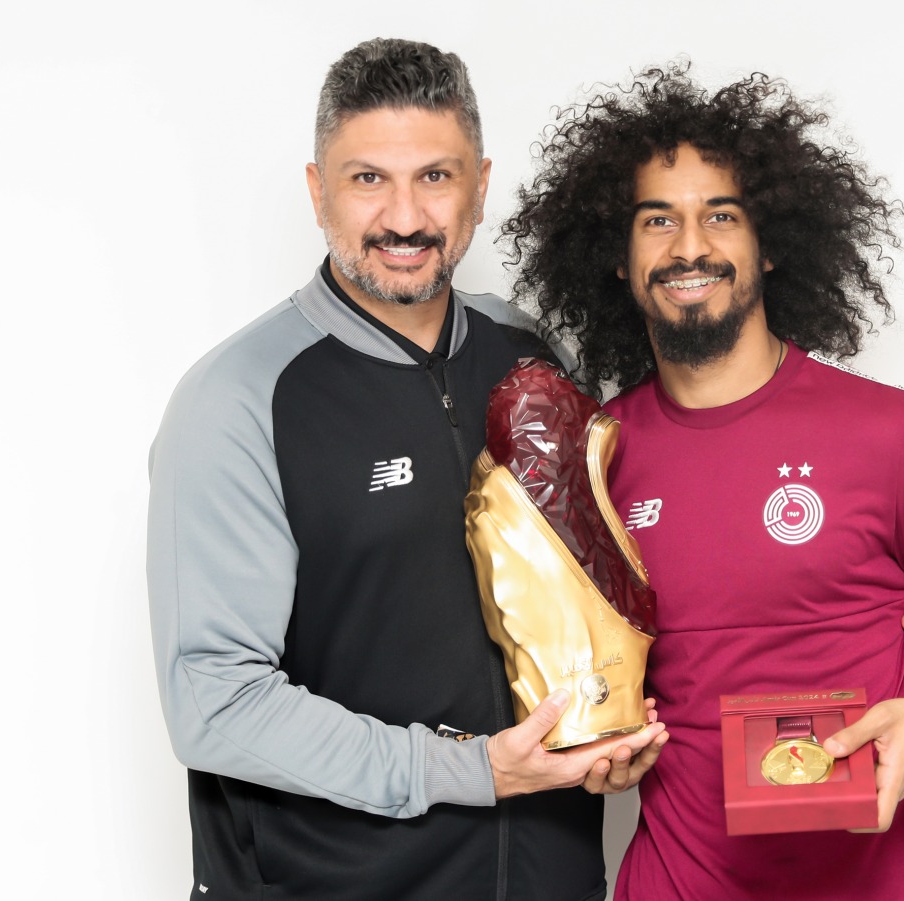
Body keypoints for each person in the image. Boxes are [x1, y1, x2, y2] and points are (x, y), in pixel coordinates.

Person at [503, 63, 904, 900]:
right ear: (617, 259)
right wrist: (599, 751)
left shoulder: (892, 432)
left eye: (719, 215)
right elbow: (591, 682)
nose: (689, 246)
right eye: (658, 220)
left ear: (769, 246)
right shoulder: (596, 456)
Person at [146, 38, 674, 901]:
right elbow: (215, 704)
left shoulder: (533, 357)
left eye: (435, 176)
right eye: (367, 180)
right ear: (317, 191)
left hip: (552, 879)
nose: (403, 217)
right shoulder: (239, 399)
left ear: (480, 181)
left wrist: (600, 740)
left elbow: (601, 576)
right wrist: (473, 770)